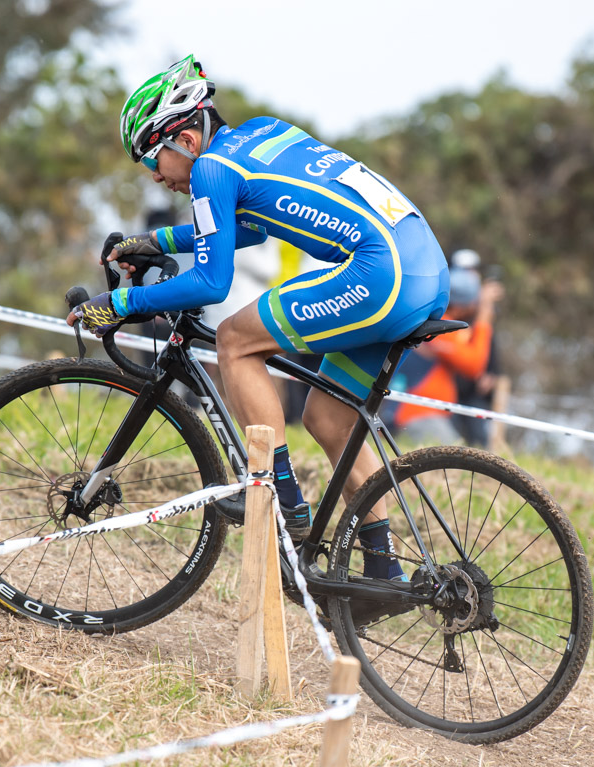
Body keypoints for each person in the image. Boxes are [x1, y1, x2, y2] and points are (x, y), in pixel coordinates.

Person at [67, 56, 449, 581]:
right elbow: (246, 230)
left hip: (381, 272)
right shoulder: (263, 134)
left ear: (186, 137)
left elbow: (209, 282)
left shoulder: (210, 169)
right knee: (328, 419)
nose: (155, 175)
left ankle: (278, 497)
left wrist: (120, 305)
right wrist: (154, 241)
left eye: (153, 158)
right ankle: (384, 572)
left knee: (235, 339)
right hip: (425, 270)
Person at [390, 265, 498, 446]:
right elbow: (474, 365)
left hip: (429, 415)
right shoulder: (440, 328)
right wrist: (484, 321)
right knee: (456, 462)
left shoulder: (436, 321)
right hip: (418, 416)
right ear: (466, 305)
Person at [447, 249, 506, 447]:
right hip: (454, 379)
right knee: (453, 434)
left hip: (476, 386)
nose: (470, 273)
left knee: (479, 437)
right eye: (464, 269)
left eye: (473, 269)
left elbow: (490, 339)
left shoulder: (480, 304)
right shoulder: (457, 298)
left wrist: (492, 371)